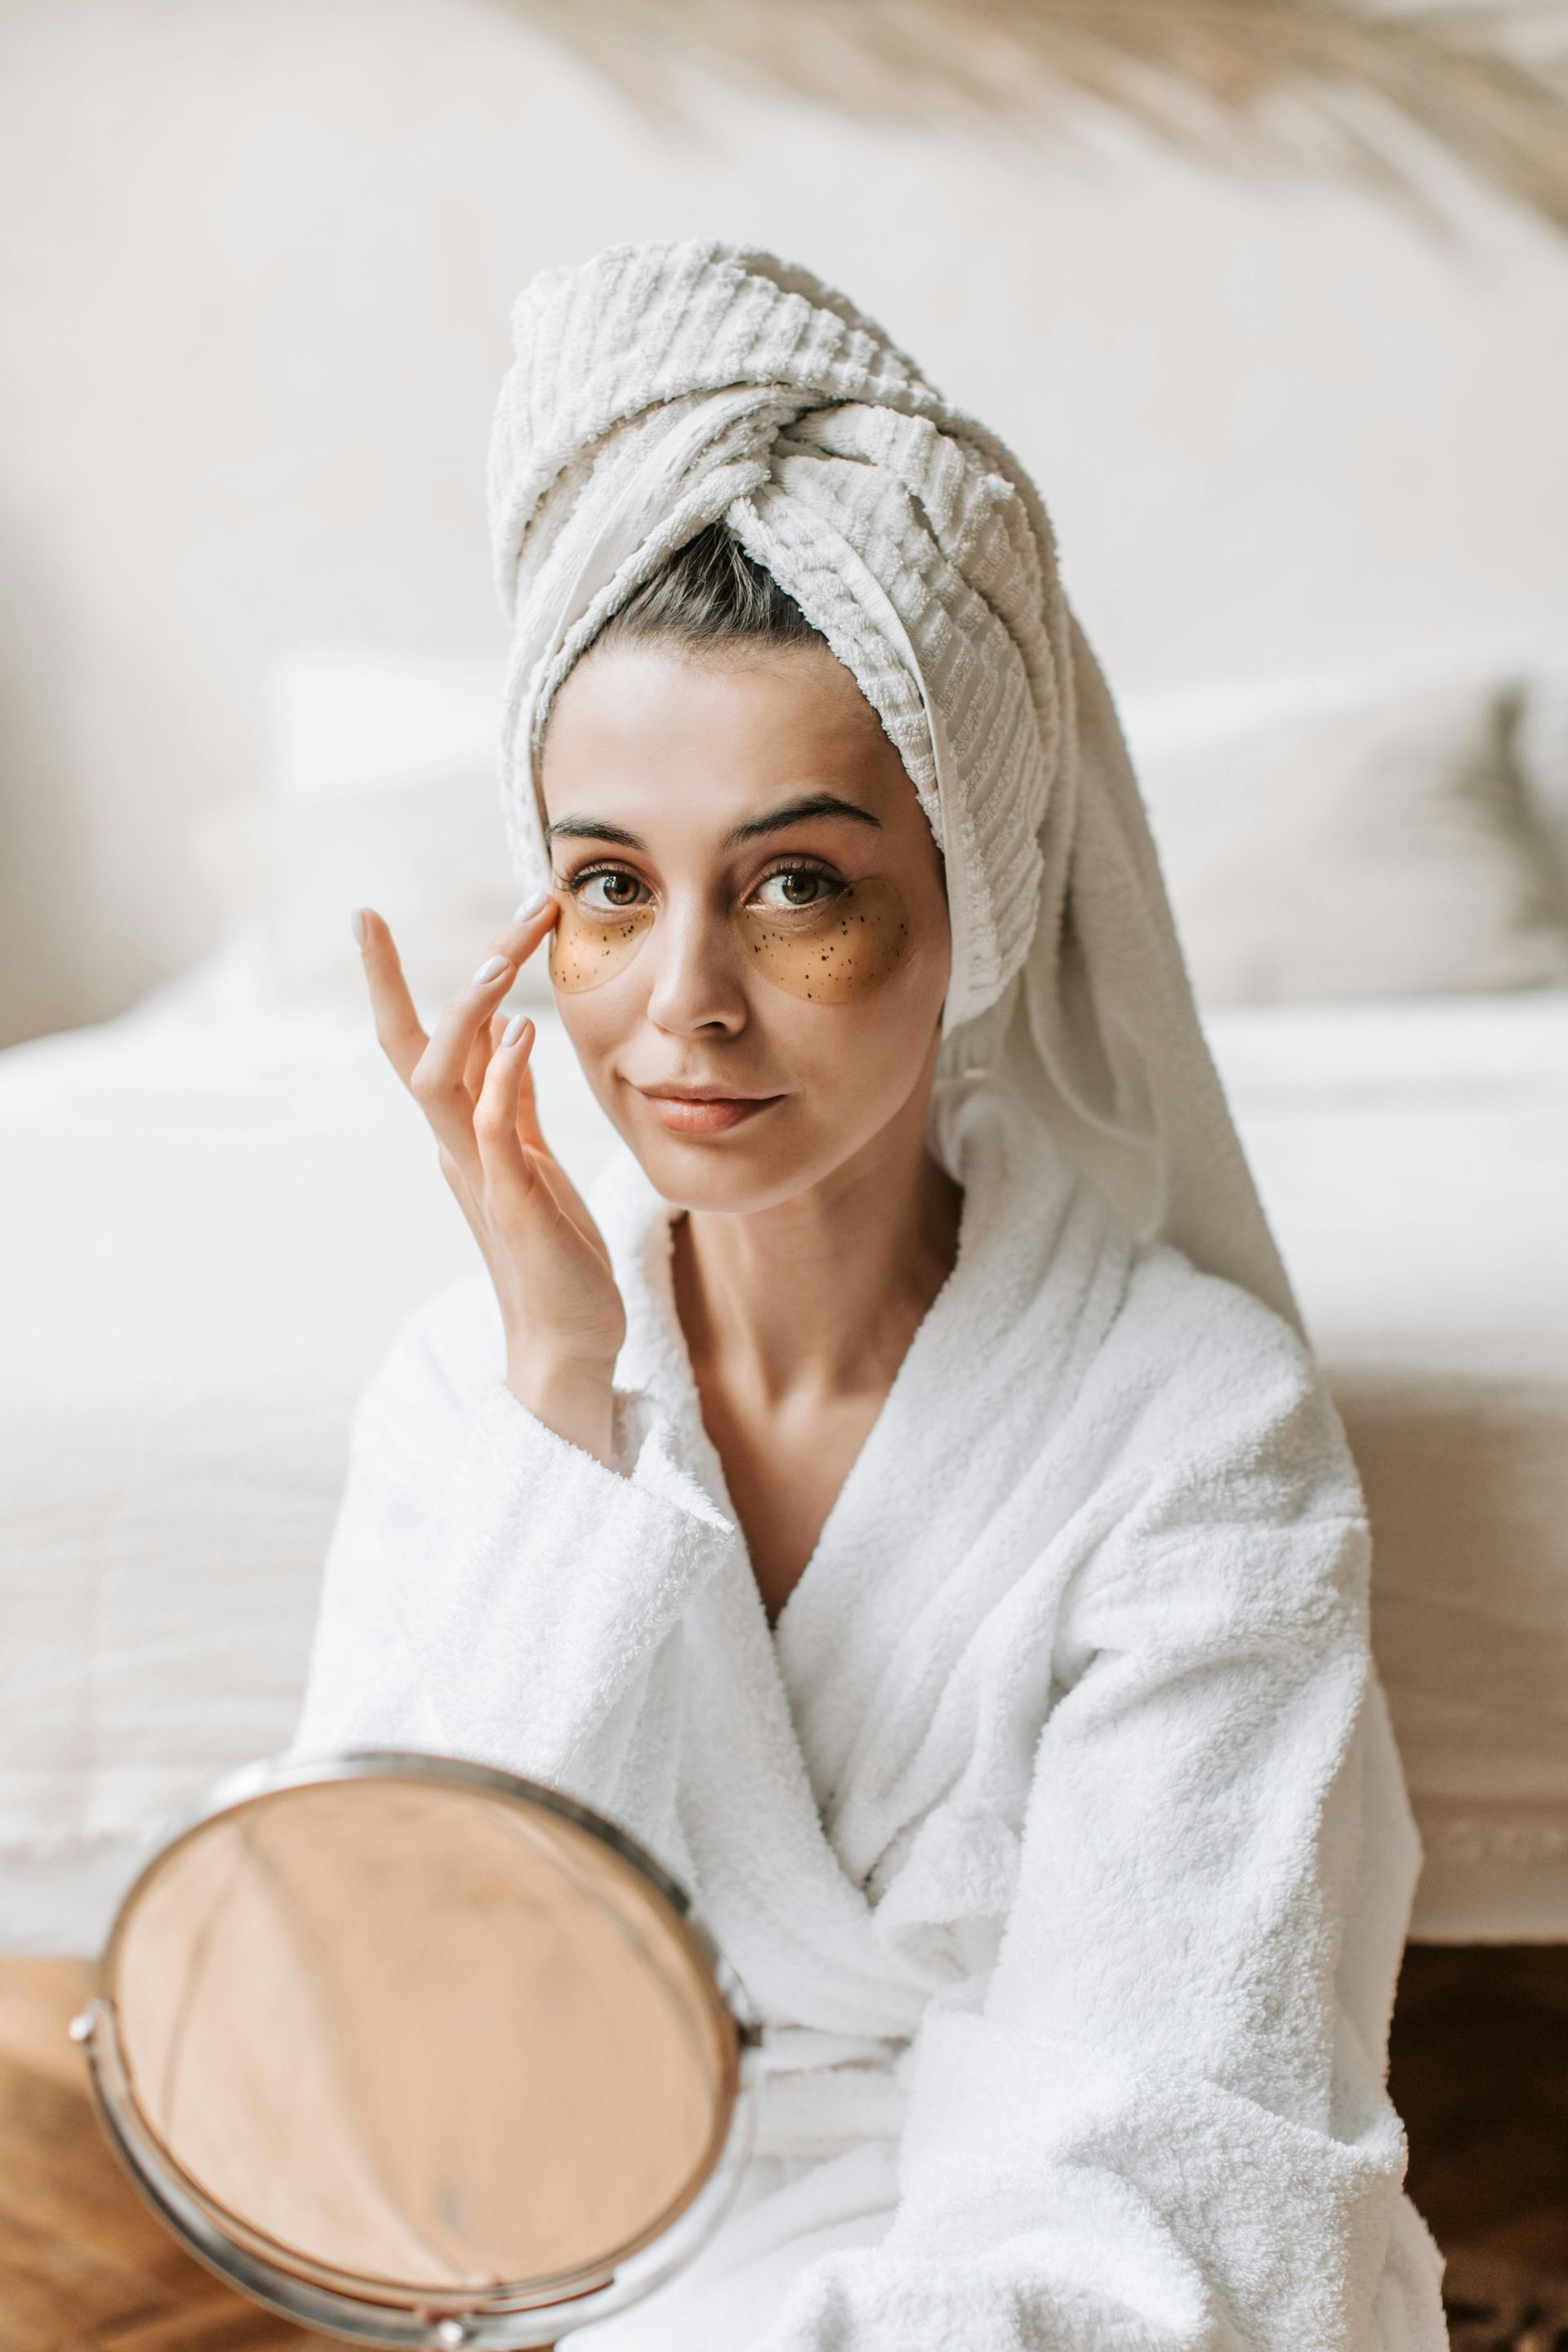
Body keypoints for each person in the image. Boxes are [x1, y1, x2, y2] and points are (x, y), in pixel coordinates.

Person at [293, 242, 1446, 2350]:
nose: (681, 1008)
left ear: (976, 905)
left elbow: (1170, 2182)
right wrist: (573, 1424)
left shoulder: (1194, 1429)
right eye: (610, 885)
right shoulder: (471, 1397)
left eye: (800, 885)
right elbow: (394, 2083)